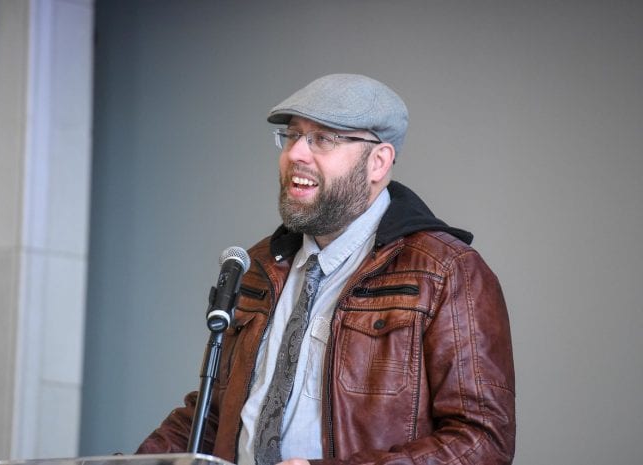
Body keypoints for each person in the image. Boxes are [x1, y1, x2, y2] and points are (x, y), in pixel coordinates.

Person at [137, 74, 516, 465]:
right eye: (293, 135)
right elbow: (212, 415)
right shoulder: (257, 267)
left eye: (323, 138)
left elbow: (482, 441)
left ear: (378, 161)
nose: (296, 153)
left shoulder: (447, 272)